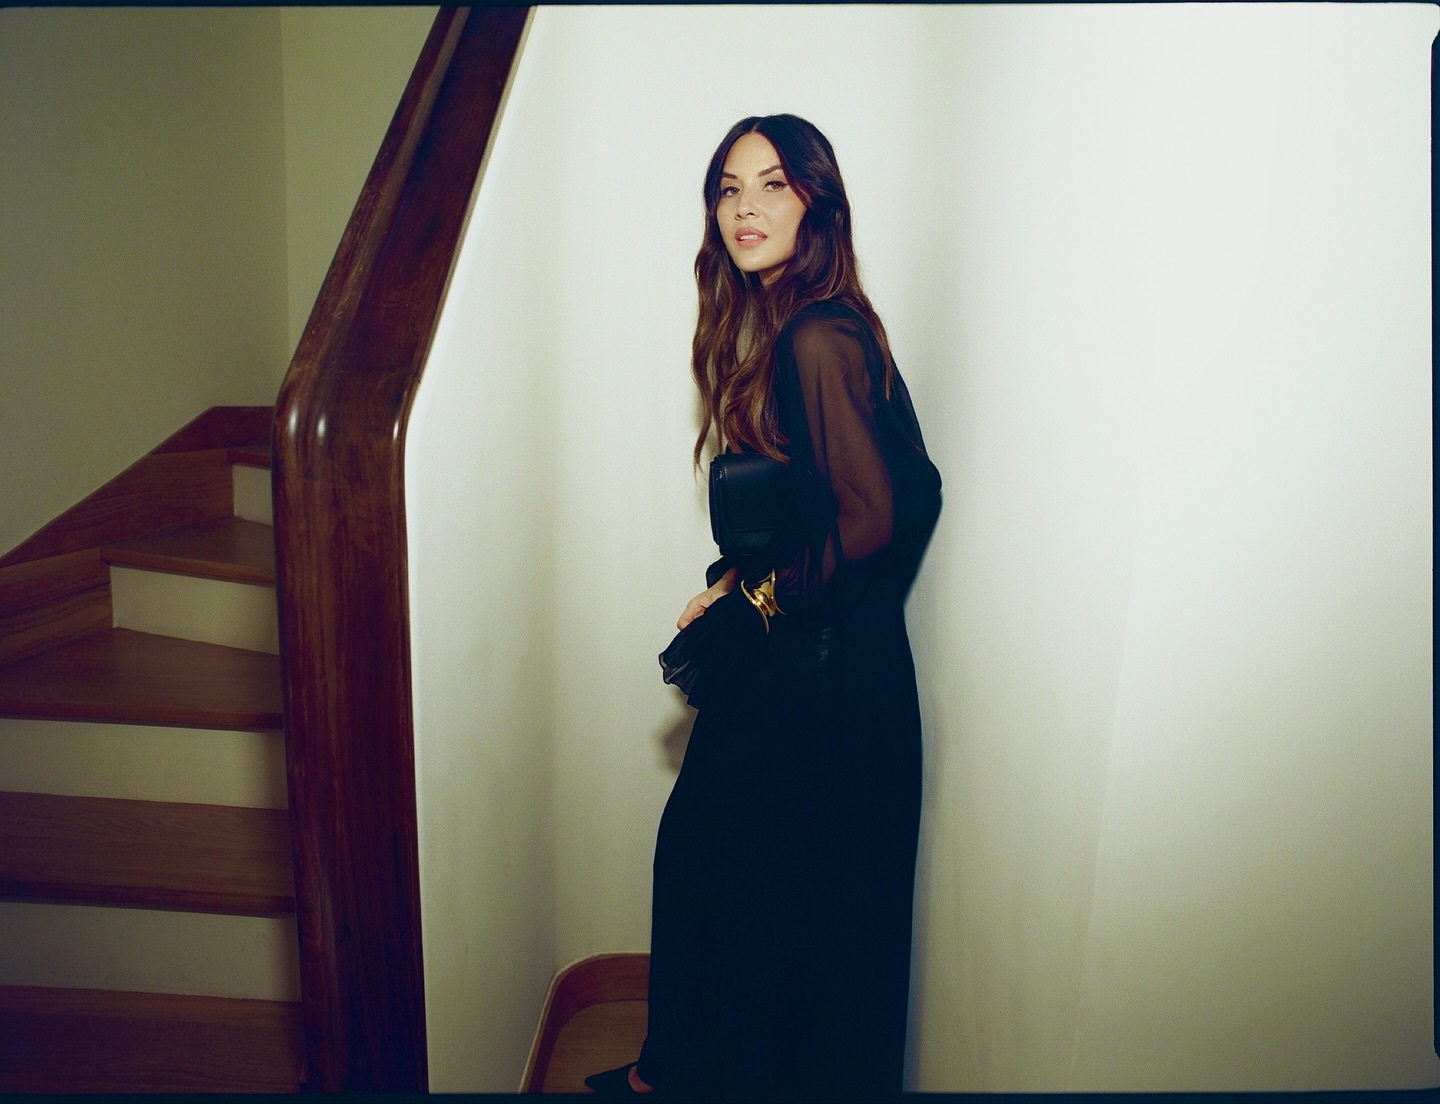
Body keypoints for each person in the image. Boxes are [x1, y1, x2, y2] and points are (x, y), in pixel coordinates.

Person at [586, 113, 940, 1099]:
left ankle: (677, 1075)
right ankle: (686, 1070)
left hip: (827, 676)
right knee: (756, 889)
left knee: (717, 867)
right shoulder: (790, 321)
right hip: (819, 658)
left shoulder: (820, 333)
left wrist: (763, 595)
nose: (745, 207)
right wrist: (734, 584)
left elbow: (873, 515)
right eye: (729, 188)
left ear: (816, 202)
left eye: (773, 184)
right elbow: (816, 501)